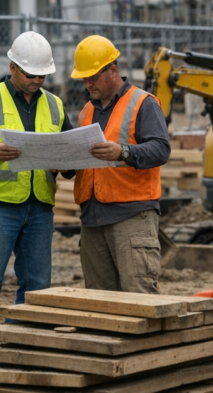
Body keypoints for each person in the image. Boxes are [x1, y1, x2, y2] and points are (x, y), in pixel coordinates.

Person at [0, 31, 73, 359]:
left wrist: (66, 164)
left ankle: (27, 335)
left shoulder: (55, 104)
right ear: (13, 67)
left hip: (39, 205)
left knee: (37, 280)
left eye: (43, 75)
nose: (37, 80)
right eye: (31, 74)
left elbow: (66, 151)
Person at [70, 35, 170, 294]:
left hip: (131, 217)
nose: (87, 83)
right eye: (84, 78)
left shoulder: (143, 103)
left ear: (112, 70)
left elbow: (161, 149)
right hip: (93, 219)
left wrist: (122, 151)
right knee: (100, 303)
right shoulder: (86, 111)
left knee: (139, 298)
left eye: (93, 76)